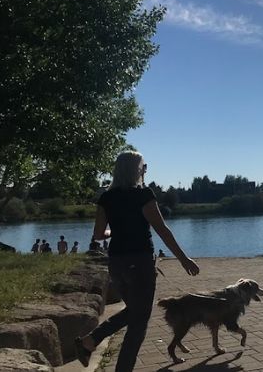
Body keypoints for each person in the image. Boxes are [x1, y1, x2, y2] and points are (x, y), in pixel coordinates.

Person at [75, 151, 199, 372]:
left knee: (135, 312)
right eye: (144, 166)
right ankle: (95, 344)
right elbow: (162, 230)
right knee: (138, 323)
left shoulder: (106, 197)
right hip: (139, 262)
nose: (145, 170)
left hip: (116, 264)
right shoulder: (143, 195)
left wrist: (118, 229)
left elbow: (98, 234)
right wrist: (183, 258)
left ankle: (91, 341)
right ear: (136, 170)